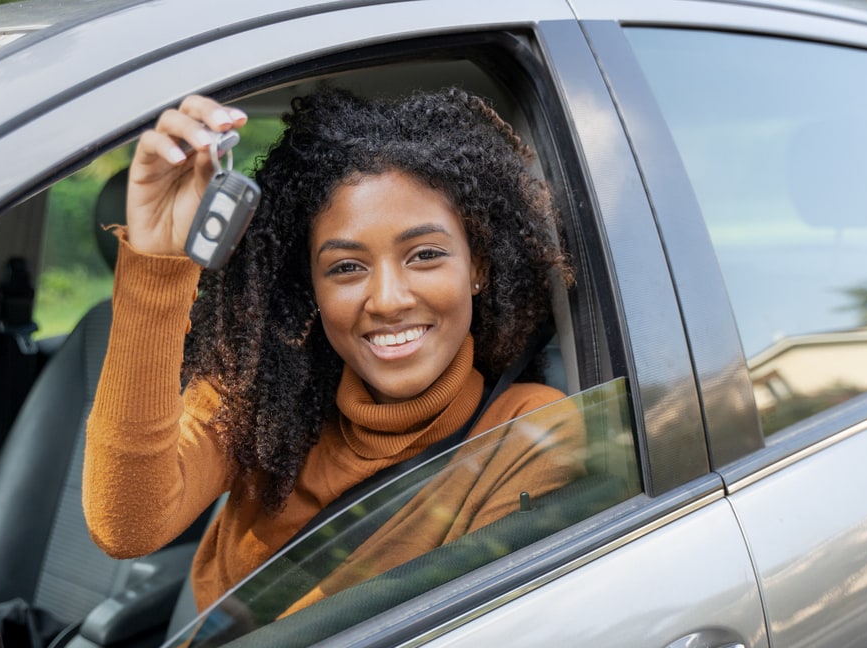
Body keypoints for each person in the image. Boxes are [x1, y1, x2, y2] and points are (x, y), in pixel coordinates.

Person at [82, 86, 585, 616]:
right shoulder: (260, 395)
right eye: (346, 267)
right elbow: (126, 525)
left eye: (426, 255)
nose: (389, 300)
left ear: (478, 266)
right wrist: (160, 264)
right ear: (312, 287)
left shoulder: (529, 434)